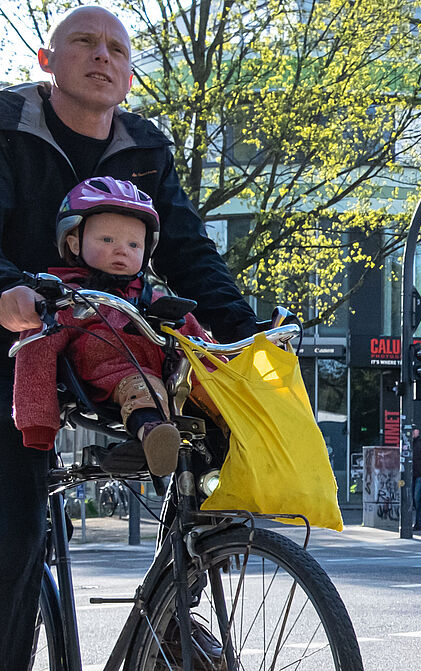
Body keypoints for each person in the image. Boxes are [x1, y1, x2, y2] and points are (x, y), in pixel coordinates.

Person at [0, 7, 259, 664]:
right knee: (13, 519)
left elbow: (191, 252)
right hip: (22, 335)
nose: (102, 55)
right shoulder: (6, 128)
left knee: (217, 424)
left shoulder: (146, 149)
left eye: (117, 47)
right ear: (46, 60)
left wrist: (243, 334)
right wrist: (7, 288)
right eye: (82, 41)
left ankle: (175, 604)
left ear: (129, 75)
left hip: (117, 333)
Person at [13, 177, 213, 477]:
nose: (122, 250)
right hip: (117, 375)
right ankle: (153, 434)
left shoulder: (153, 299)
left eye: (133, 244)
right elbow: (35, 355)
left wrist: (223, 366)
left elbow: (197, 339)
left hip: (175, 374)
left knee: (218, 390)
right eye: (107, 240)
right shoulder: (69, 303)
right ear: (73, 241)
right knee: (142, 386)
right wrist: (38, 422)